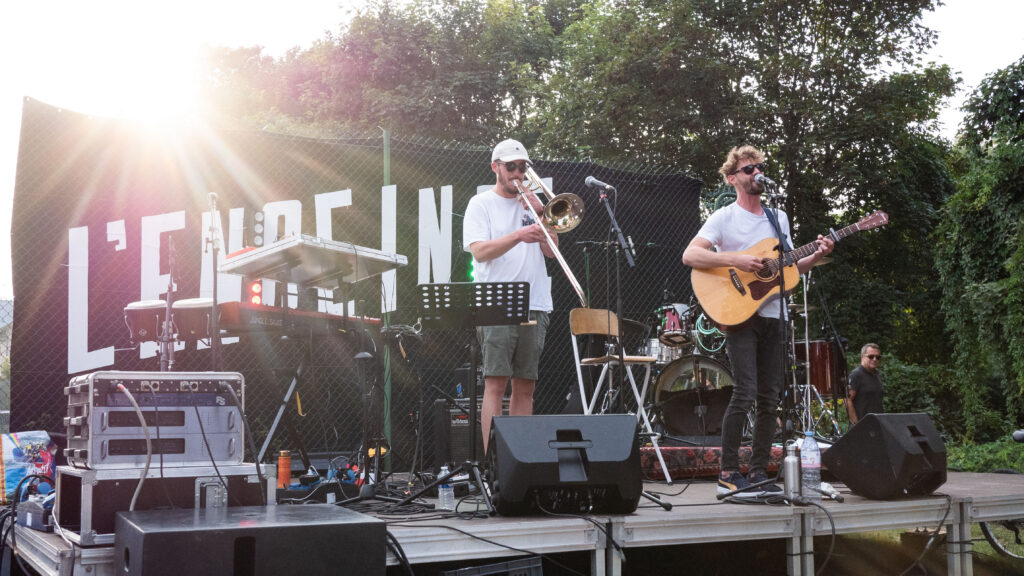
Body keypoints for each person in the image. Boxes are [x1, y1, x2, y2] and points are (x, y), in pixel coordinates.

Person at [682, 145, 834, 498]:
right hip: (738, 315)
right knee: (745, 391)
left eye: (760, 167)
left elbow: (791, 268)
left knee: (770, 398)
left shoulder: (777, 218)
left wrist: (817, 253)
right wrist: (738, 260)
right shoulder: (723, 217)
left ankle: (760, 471)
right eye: (750, 169)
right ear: (733, 178)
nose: (757, 173)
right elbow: (690, 254)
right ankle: (729, 470)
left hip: (773, 315)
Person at [463, 138, 555, 454]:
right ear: (496, 167)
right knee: (495, 384)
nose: (518, 172)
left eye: (523, 167)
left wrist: (541, 212)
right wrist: (518, 235)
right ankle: (494, 462)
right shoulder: (481, 204)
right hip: (496, 302)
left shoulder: (533, 203)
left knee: (525, 385)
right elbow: (480, 252)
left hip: (535, 302)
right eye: (511, 166)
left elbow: (551, 251)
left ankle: (522, 457)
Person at [847, 343, 884, 425]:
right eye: (871, 356)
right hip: (862, 427)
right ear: (862, 357)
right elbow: (847, 400)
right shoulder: (856, 375)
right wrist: (855, 424)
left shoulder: (877, 375)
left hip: (877, 425)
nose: (874, 359)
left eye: (878, 357)